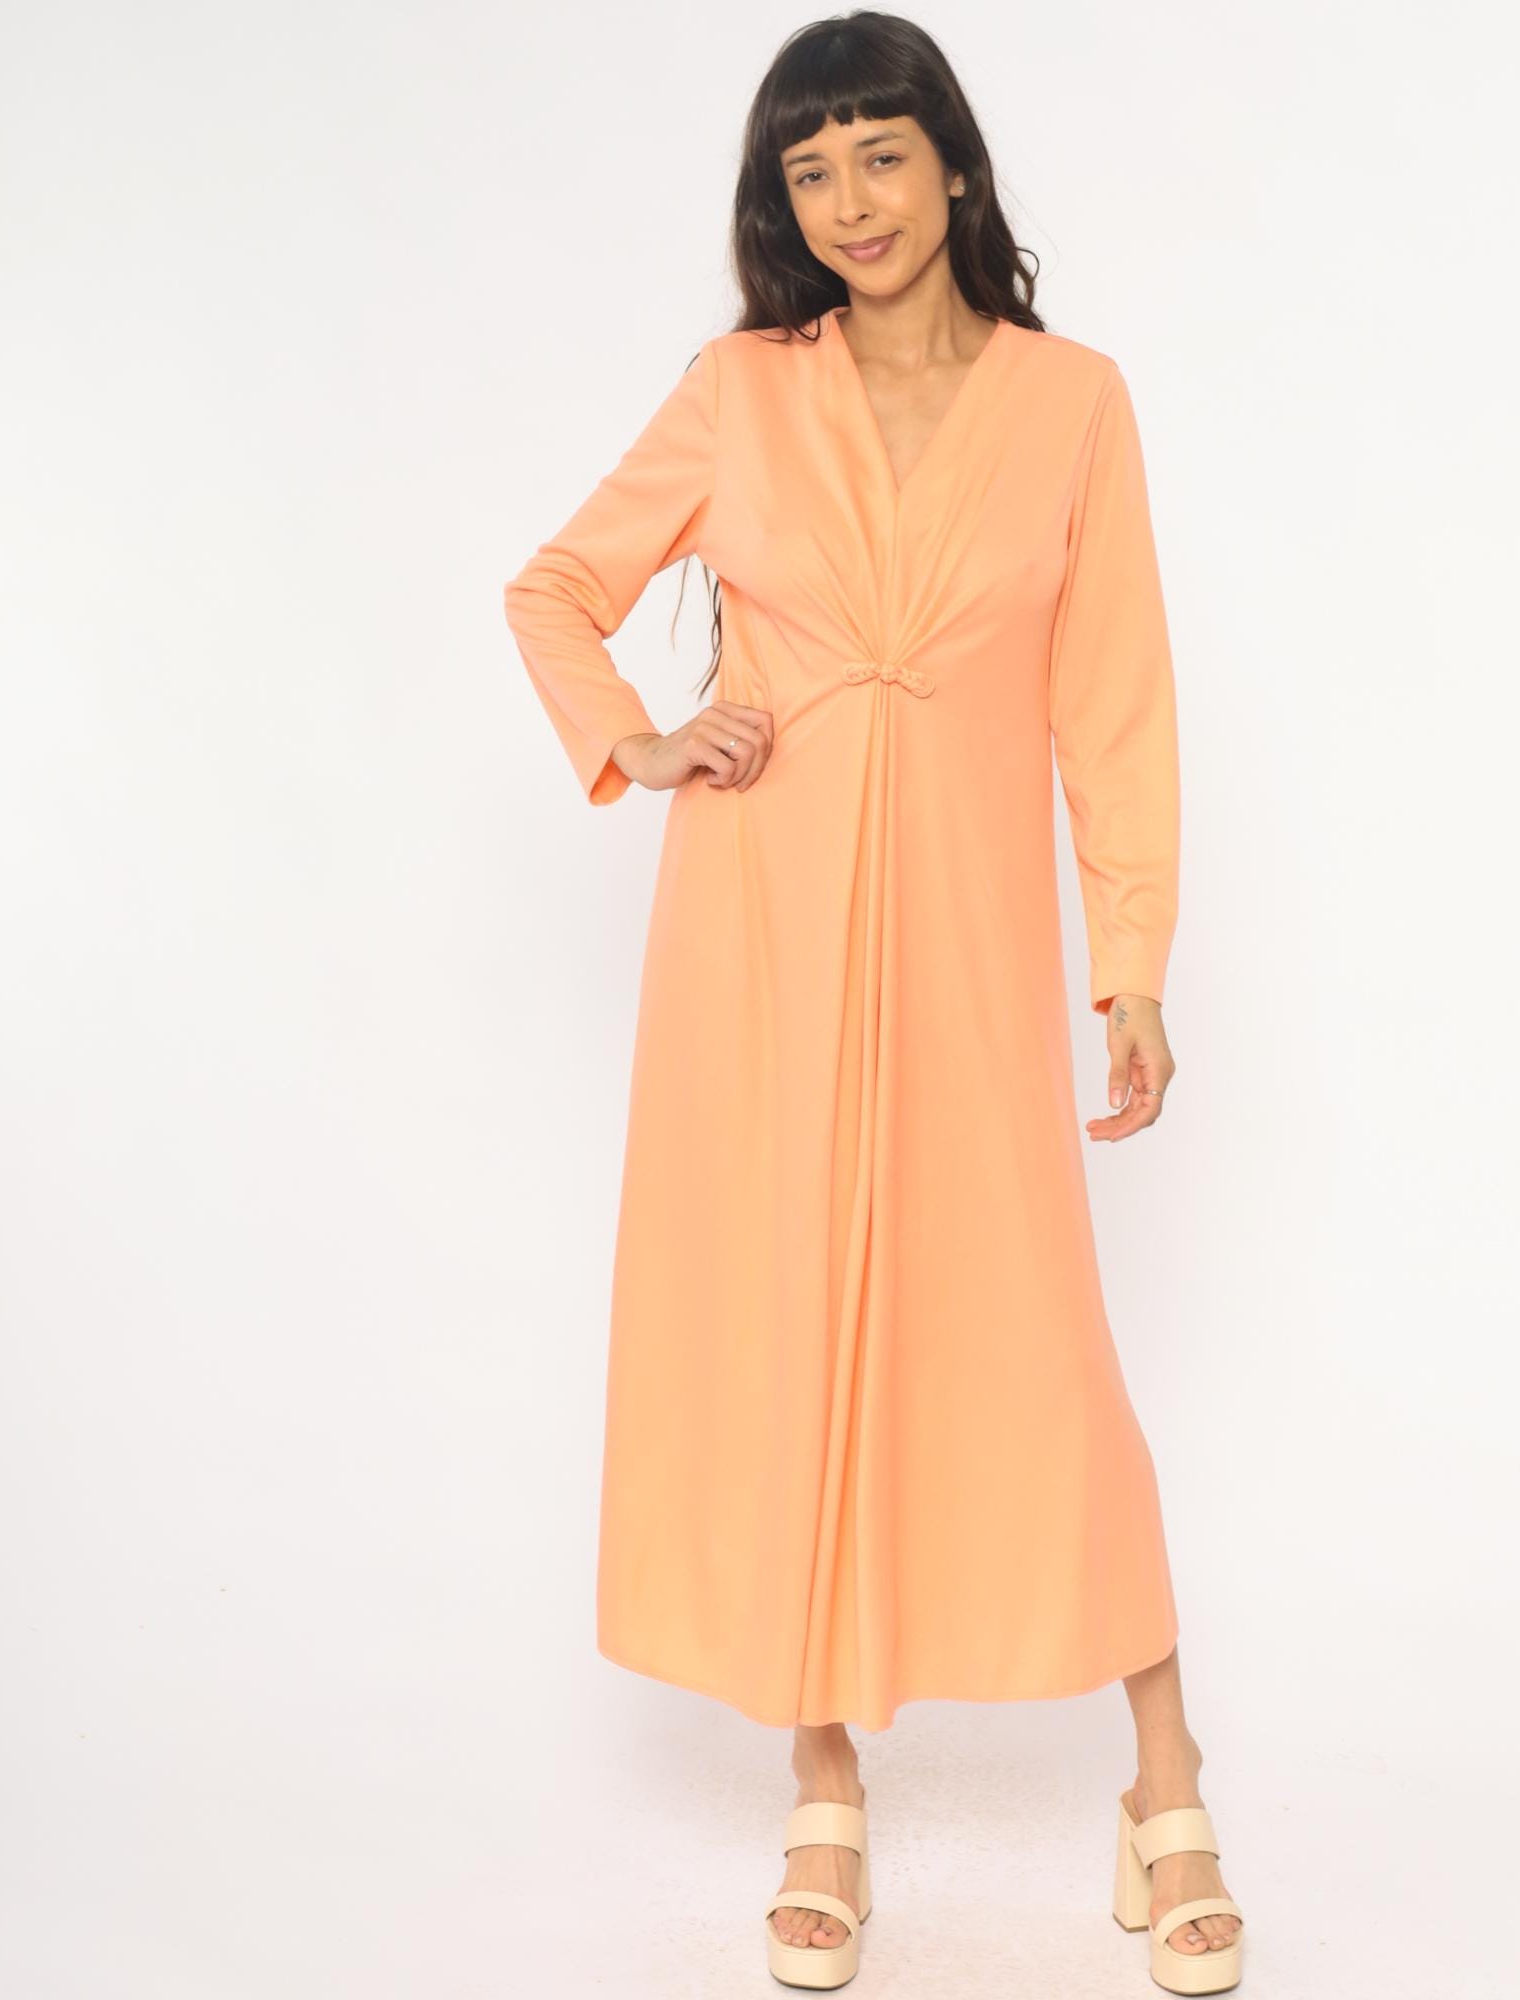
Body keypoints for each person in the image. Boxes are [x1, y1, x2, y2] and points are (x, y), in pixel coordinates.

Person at [502, 13, 1243, 1992]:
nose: (849, 202)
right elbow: (552, 588)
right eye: (808, 171)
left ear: (956, 166)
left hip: (970, 944)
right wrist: (639, 740)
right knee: (786, 1329)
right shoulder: (739, 393)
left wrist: (1131, 964)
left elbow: (1115, 705)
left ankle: (1163, 1775)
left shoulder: (1072, 403)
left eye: (880, 155)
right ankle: (821, 1778)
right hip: (756, 934)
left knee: (1032, 1337)